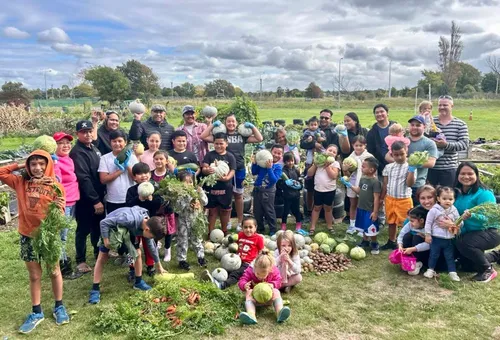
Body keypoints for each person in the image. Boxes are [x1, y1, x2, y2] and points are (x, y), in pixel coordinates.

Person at [0, 150, 70, 333]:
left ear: (48, 165)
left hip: (49, 237)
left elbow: (60, 214)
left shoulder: (55, 186)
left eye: (42, 164)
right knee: (34, 275)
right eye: (34, 164)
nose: (38, 168)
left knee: (54, 271)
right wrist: (22, 164)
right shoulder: (21, 182)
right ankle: (36, 311)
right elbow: (1, 173)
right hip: (27, 235)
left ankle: (59, 306)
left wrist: (59, 207)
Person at [89, 207, 167, 304]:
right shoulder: (128, 219)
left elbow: (151, 246)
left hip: (128, 232)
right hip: (112, 229)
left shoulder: (148, 224)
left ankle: (138, 282)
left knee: (136, 253)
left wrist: (158, 265)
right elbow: (104, 223)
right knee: (102, 258)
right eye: (151, 237)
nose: (150, 238)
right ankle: (95, 289)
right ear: (147, 229)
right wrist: (106, 240)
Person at [201, 114, 263, 231]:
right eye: (228, 121)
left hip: (238, 168)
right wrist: (213, 124)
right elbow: (203, 136)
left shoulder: (242, 135)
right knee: (227, 195)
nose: (231, 124)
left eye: (233, 122)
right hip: (222, 170)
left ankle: (240, 221)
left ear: (237, 123)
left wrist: (252, 127)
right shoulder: (220, 136)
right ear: (225, 123)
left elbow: (259, 138)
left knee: (238, 195)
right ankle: (227, 221)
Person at [444, 162, 499, 282]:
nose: (466, 176)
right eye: (462, 173)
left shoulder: (484, 193)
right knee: (468, 266)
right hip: (465, 232)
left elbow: (491, 218)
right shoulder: (456, 193)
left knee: (463, 242)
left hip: (488, 232)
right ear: (457, 175)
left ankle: (487, 269)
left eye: (470, 173)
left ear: (477, 175)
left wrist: (472, 216)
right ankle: (496, 255)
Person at [70, 120, 106, 274]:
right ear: (78, 134)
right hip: (86, 199)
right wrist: (95, 200)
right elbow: (84, 178)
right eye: (84, 132)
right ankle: (81, 260)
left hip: (99, 196)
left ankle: (98, 253)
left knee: (97, 227)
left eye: (90, 131)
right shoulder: (77, 152)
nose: (87, 134)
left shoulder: (94, 149)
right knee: (83, 229)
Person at [201, 216, 264, 289]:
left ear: (255, 227)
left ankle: (222, 285)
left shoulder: (258, 238)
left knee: (236, 274)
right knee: (225, 269)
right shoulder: (240, 235)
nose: (248, 229)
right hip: (236, 260)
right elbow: (233, 244)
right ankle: (213, 279)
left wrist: (258, 264)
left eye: (250, 227)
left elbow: (261, 251)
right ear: (242, 227)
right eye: (245, 227)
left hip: (247, 263)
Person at [126, 162, 163, 277]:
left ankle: (150, 265)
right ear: (134, 177)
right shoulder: (131, 190)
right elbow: (128, 205)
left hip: (150, 223)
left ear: (150, 175)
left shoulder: (155, 188)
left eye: (146, 173)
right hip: (135, 224)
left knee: (150, 244)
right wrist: (140, 198)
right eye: (140, 174)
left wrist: (152, 200)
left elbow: (159, 204)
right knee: (133, 245)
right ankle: (132, 268)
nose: (143, 176)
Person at [53, 131, 81, 280]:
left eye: (67, 143)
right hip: (64, 203)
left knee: (64, 234)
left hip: (72, 200)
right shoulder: (54, 161)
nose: (65, 145)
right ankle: (63, 267)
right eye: (61, 143)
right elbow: (56, 180)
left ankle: (59, 263)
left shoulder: (68, 159)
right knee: (61, 237)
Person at [237, 250, 290, 325]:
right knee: (249, 292)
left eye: (264, 275)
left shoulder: (274, 271)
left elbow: (279, 281)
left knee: (276, 292)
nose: (260, 277)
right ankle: (251, 315)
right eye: (257, 273)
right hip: (255, 300)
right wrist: (244, 285)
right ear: (254, 267)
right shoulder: (250, 271)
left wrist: (273, 284)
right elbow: (242, 280)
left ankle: (280, 312)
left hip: (269, 299)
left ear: (270, 270)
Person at [342, 157, 381, 255]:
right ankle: (365, 241)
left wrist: (375, 212)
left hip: (370, 210)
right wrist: (349, 184)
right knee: (363, 226)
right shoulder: (363, 179)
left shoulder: (375, 182)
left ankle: (374, 243)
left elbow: (376, 198)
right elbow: (359, 190)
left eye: (363, 167)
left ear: (371, 170)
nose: (361, 168)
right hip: (361, 208)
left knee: (371, 227)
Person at [427, 95, 469, 187]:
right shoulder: (430, 122)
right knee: (429, 197)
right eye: (439, 105)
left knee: (447, 197)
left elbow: (464, 144)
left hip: (449, 168)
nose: (442, 107)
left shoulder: (460, 124)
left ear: (452, 106)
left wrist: (446, 145)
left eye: (445, 105)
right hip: (430, 166)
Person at [380, 141, 415, 250]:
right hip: (390, 199)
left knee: (406, 222)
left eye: (402, 154)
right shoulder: (389, 167)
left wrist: (412, 171)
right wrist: (382, 198)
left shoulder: (411, 166)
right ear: (392, 154)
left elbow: (410, 184)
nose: (399, 157)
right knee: (391, 221)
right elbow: (385, 184)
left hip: (404, 200)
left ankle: (406, 243)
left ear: (406, 152)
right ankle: (391, 241)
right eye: (396, 155)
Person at [423, 187, 462, 282]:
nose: (447, 201)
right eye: (444, 199)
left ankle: (452, 272)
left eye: (450, 199)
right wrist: (427, 234)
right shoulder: (434, 210)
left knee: (449, 256)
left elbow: (460, 222)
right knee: (433, 255)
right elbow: (428, 223)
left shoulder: (454, 210)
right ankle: (430, 269)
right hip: (436, 238)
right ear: (438, 198)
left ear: (454, 199)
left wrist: (456, 224)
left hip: (449, 239)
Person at [201, 133, 236, 234]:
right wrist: (206, 170)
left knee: (224, 211)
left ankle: (224, 231)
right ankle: (211, 232)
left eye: (221, 143)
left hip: (225, 187)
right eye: (216, 143)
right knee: (212, 212)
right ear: (213, 144)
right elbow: (204, 168)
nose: (219, 146)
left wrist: (227, 178)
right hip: (211, 188)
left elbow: (233, 170)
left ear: (226, 144)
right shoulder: (210, 155)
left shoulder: (230, 156)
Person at [98, 129, 138, 213]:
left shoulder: (132, 157)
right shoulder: (104, 158)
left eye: (120, 141)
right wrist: (120, 171)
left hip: (130, 198)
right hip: (113, 200)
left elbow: (136, 178)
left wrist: (127, 165)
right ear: (110, 142)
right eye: (114, 141)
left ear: (125, 142)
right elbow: (103, 180)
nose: (117, 144)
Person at [175, 171, 207, 270]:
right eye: (186, 182)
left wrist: (200, 193)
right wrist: (186, 198)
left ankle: (201, 257)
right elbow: (177, 208)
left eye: (191, 182)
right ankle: (182, 260)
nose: (189, 184)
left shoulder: (196, 192)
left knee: (197, 239)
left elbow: (205, 202)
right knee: (182, 240)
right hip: (183, 221)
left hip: (195, 220)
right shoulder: (179, 195)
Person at [307, 144, 340, 235]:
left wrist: (327, 166)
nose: (331, 153)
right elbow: (309, 174)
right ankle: (312, 227)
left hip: (330, 190)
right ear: (325, 151)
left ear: (336, 155)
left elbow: (333, 176)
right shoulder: (319, 161)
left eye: (334, 152)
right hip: (318, 189)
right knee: (316, 208)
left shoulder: (335, 164)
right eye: (330, 150)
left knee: (328, 208)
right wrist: (315, 164)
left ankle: (329, 226)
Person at [344, 136, 374, 234]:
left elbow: (372, 172)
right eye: (356, 145)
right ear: (353, 145)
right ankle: (352, 225)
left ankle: (362, 226)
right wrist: (345, 169)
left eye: (361, 145)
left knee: (363, 206)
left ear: (365, 145)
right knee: (353, 204)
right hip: (352, 183)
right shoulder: (350, 158)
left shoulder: (369, 157)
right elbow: (348, 175)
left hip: (365, 183)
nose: (358, 147)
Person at [251, 144, 283, 235]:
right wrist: (254, 164)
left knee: (269, 210)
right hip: (257, 189)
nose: (276, 155)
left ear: (282, 155)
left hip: (268, 192)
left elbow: (273, 180)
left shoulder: (278, 167)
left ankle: (273, 229)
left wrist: (269, 168)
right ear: (270, 152)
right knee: (257, 211)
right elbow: (254, 172)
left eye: (279, 153)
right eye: (274, 152)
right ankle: (260, 228)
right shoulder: (262, 163)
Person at [150, 150, 175, 262]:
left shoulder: (170, 175)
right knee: (154, 228)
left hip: (167, 208)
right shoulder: (150, 174)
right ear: (153, 160)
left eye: (161, 159)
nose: (159, 161)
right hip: (154, 208)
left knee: (168, 231)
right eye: (156, 159)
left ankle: (167, 251)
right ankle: (154, 250)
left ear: (166, 161)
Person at [406, 116, 438, 205]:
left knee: (418, 214)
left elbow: (431, 163)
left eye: (418, 125)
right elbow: (390, 158)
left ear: (424, 126)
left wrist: (412, 162)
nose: (414, 127)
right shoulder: (404, 141)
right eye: (412, 125)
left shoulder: (429, 143)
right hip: (402, 184)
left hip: (418, 185)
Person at [396, 206, 429, 276]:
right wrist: (400, 246)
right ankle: (407, 258)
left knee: (417, 237)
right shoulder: (410, 225)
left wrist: (413, 249)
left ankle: (418, 262)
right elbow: (401, 234)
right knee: (407, 236)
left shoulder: (428, 228)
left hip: (424, 251)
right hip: (413, 249)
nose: (410, 223)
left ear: (421, 221)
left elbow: (429, 245)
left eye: (412, 221)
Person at [366, 104, 396, 176]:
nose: (379, 114)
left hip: (397, 164)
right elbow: (371, 153)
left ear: (387, 113)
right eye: (377, 112)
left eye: (382, 111)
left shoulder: (396, 127)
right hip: (381, 168)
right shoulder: (371, 133)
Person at [278, 152, 304, 233]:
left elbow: (300, 181)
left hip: (296, 195)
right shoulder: (283, 171)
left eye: (292, 161)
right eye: (288, 161)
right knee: (285, 211)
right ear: (285, 162)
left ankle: (298, 224)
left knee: (296, 210)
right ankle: (283, 225)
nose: (290, 163)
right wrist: (285, 183)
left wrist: (300, 186)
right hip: (287, 195)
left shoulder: (296, 170)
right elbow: (280, 184)